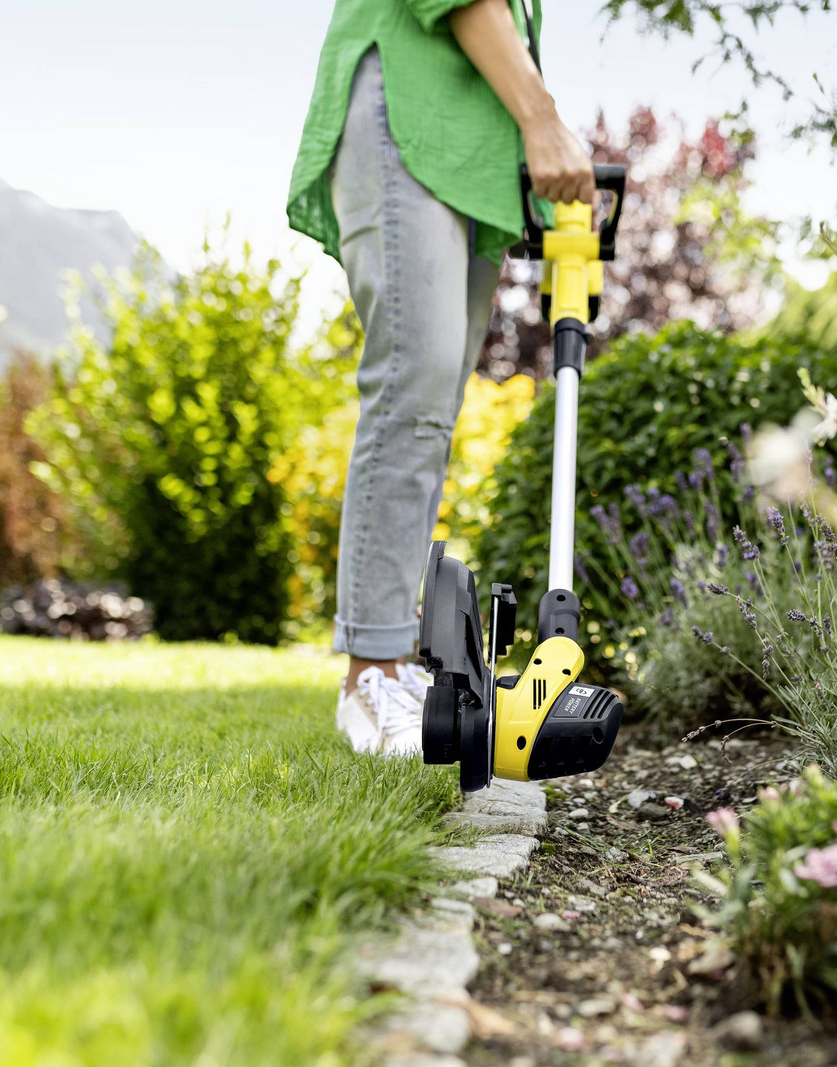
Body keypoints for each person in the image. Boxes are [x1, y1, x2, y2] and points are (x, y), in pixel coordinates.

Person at [287, 0, 594, 756]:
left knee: (432, 402)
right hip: (407, 106)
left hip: (466, 143)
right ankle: (370, 670)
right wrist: (542, 118)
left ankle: (394, 662)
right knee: (412, 384)